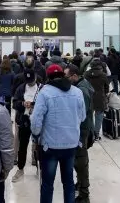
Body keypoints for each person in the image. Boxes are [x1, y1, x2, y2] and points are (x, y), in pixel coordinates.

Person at [31, 65, 86, 203]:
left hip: (50, 146)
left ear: (48, 77)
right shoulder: (77, 92)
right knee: (68, 182)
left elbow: (37, 120)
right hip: (71, 144)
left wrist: (36, 135)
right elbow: (83, 116)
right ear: (63, 75)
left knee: (47, 184)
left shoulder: (45, 92)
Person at [64, 65, 94, 203]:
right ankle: (80, 184)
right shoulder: (82, 84)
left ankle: (84, 194)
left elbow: (82, 113)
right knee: (78, 160)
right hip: (82, 129)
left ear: (74, 76)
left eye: (67, 77)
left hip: (81, 130)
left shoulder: (81, 90)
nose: (65, 80)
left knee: (81, 161)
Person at [11, 68, 42, 182]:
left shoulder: (41, 88)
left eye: (32, 80)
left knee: (38, 146)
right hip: (24, 120)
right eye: (28, 80)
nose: (30, 82)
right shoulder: (21, 88)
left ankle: (39, 168)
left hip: (37, 120)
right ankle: (20, 168)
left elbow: (45, 104)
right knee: (22, 146)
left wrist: (34, 104)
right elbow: (14, 103)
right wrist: (23, 104)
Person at [84, 59, 109, 141]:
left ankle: (90, 133)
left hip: (88, 97)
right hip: (100, 97)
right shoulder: (103, 75)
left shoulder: (86, 74)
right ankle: (96, 134)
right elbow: (107, 88)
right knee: (99, 116)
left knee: (89, 116)